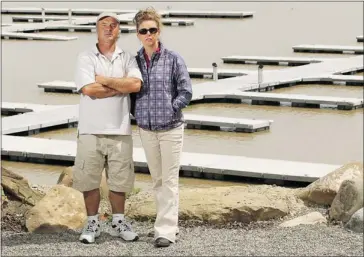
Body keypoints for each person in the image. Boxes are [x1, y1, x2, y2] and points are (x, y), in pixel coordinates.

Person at [73, 12, 143, 244]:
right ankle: (92, 222)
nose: (109, 28)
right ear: (97, 28)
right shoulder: (85, 56)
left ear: (119, 30)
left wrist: (103, 80)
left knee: (120, 180)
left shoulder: (128, 58)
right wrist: (118, 87)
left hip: (120, 128)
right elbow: (89, 90)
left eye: (114, 25)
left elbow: (134, 84)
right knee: (89, 179)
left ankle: (118, 221)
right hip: (90, 129)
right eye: (104, 25)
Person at [132, 7, 193, 248]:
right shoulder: (134, 61)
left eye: (152, 29)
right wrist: (134, 112)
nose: (148, 34)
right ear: (137, 34)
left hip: (170, 128)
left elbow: (186, 90)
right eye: (143, 30)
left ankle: (166, 231)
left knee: (169, 181)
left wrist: (172, 108)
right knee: (157, 180)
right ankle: (163, 224)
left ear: (159, 30)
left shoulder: (173, 58)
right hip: (146, 129)